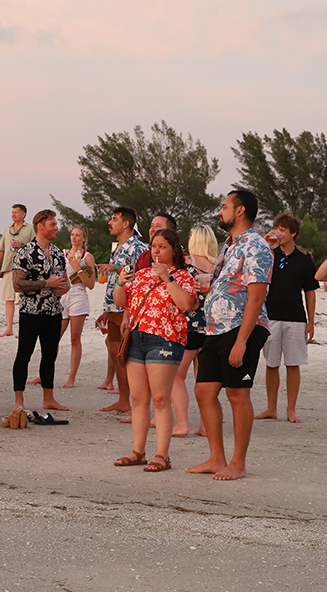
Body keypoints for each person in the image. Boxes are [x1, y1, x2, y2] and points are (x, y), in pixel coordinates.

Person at [187, 190, 273, 481]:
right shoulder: (229, 246)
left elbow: (256, 297)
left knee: (237, 394)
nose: (220, 211)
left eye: (224, 206)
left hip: (241, 329)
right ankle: (216, 458)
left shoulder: (256, 246)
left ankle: (238, 463)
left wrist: (242, 341)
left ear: (240, 210)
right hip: (215, 328)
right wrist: (206, 285)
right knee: (204, 391)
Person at [112, 229, 197, 472]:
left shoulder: (182, 276)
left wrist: (168, 279)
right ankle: (138, 451)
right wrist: (120, 281)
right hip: (138, 337)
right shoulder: (142, 274)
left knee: (160, 398)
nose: (156, 251)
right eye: (154, 246)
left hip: (165, 339)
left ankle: (162, 455)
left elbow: (187, 305)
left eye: (162, 246)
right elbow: (121, 301)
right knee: (138, 398)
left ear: (174, 250)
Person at [255, 212, 317, 424]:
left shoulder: (304, 261)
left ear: (293, 233)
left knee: (293, 364)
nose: (278, 232)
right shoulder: (269, 254)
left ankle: (291, 409)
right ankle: (271, 408)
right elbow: (253, 261)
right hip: (270, 316)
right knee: (271, 363)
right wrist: (266, 242)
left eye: (282, 229)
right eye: (277, 228)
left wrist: (311, 322)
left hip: (295, 318)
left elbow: (310, 291)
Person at [10, 210, 70, 413]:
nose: (56, 227)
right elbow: (17, 284)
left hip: (53, 312)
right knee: (24, 355)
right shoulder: (25, 252)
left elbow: (65, 282)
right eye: (52, 224)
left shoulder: (58, 252)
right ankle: (19, 400)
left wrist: (63, 287)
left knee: (49, 355)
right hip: (30, 312)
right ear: (40, 226)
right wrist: (46, 283)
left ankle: (49, 398)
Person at [95, 206, 147, 419]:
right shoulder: (118, 245)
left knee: (129, 357)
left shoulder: (137, 247)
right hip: (114, 308)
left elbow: (135, 275)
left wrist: (113, 267)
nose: (110, 222)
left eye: (114, 219)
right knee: (117, 355)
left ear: (126, 224)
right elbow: (115, 281)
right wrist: (106, 310)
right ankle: (123, 400)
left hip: (127, 308)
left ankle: (136, 405)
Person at [174, 224, 218, 437]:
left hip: (190, 326)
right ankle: (205, 425)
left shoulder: (188, 266)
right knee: (204, 379)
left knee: (176, 376)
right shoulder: (218, 266)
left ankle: (182, 423)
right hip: (211, 328)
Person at [60, 225, 96, 388]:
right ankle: (43, 373)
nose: (74, 237)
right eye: (72, 234)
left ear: (84, 238)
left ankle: (71, 377)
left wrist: (77, 268)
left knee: (75, 338)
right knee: (54, 337)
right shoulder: (63, 253)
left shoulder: (88, 257)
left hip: (78, 296)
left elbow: (91, 284)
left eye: (78, 235)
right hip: (63, 296)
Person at [0, 204, 35, 337]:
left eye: (16, 212)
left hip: (23, 268)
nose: (13, 215)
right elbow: (1, 248)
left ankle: (22, 328)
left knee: (21, 299)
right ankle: (9, 328)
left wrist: (21, 245)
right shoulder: (8, 229)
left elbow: (36, 246)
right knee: (8, 298)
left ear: (23, 214)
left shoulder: (30, 229)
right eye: (12, 212)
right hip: (8, 267)